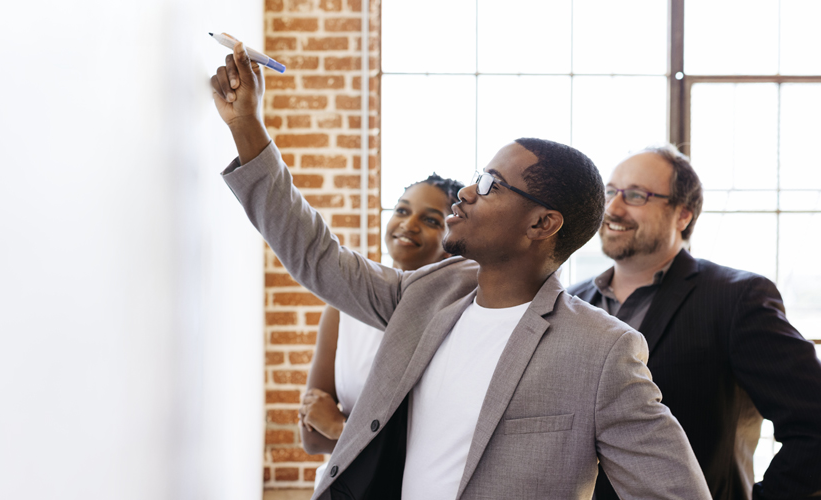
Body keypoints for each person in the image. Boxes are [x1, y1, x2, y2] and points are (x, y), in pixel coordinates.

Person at [210, 44, 710, 499]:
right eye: (475, 177)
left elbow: (675, 492)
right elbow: (316, 256)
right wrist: (246, 126)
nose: (467, 192)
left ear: (541, 222)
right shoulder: (429, 294)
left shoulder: (601, 351)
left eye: (490, 184)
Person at [567, 145, 821, 500]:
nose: (613, 207)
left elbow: (814, 425)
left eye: (636, 196)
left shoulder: (738, 298)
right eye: (610, 192)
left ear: (683, 215)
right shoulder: (572, 302)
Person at [298, 174, 464, 482]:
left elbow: (433, 452)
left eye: (430, 220)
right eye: (402, 211)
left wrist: (339, 427)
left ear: (450, 241)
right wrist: (336, 430)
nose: (408, 224)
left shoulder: (454, 319)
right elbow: (311, 438)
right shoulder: (342, 307)